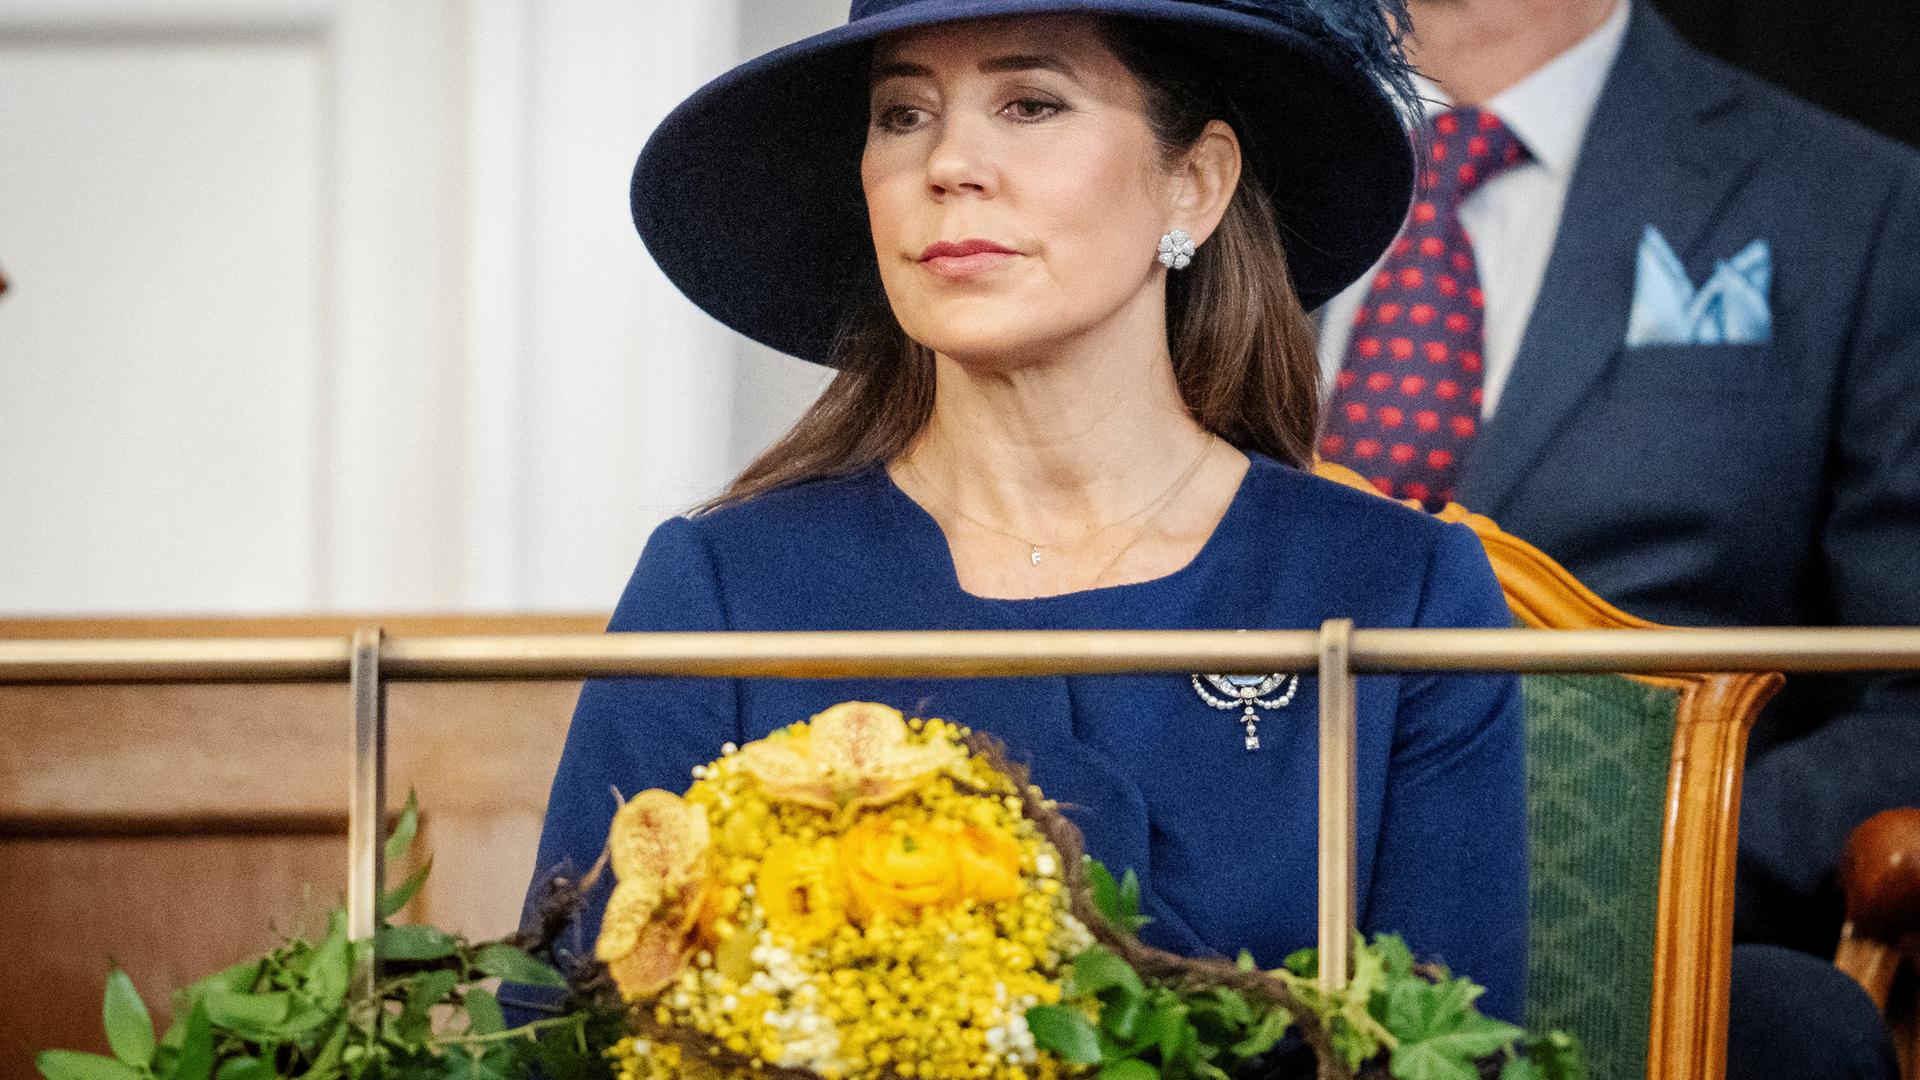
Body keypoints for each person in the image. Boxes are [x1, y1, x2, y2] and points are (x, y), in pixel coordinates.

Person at [519, 0, 1530, 1026]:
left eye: (1031, 103)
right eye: (903, 115)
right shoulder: (723, 590)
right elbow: (559, 1032)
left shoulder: (1395, 591)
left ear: (1196, 181)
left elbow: (1458, 1045)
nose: (949, 164)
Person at [1316, 0, 1919, 1075]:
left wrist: (1654, 848)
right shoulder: (1182, 147)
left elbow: (1907, 685)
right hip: (1217, 891)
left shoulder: (1858, 203)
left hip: (1659, 935)